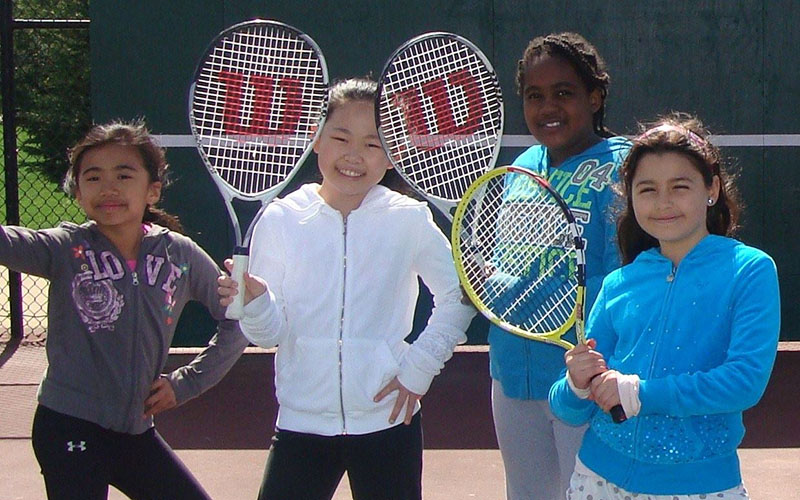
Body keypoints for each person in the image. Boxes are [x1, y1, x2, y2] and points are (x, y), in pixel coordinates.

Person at [217, 77, 476, 500]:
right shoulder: (281, 219)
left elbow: (458, 298)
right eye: (341, 137)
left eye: (373, 144)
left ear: (393, 156)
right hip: (300, 425)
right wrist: (258, 303)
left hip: (388, 421)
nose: (354, 155)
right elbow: (266, 336)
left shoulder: (408, 218)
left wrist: (418, 369)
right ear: (316, 141)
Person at [0, 121, 249, 499]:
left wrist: (187, 383)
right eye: (93, 177)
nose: (108, 188)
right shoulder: (65, 248)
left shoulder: (178, 254)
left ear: (153, 190)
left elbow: (236, 320)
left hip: (136, 432)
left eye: (123, 174)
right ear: (78, 192)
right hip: (68, 427)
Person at [549, 113, 780, 499]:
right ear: (631, 197)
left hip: (701, 487)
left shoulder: (750, 270)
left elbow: (744, 382)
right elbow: (570, 408)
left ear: (713, 189)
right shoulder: (618, 283)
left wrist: (641, 393)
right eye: (648, 189)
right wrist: (575, 383)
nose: (664, 202)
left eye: (680, 186)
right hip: (596, 478)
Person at [488, 32, 630, 500]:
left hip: (586, 377)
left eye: (563, 93)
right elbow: (507, 259)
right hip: (513, 374)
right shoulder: (523, 166)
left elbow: (628, 280)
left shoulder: (626, 166)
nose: (548, 106)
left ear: (594, 97)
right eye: (534, 95)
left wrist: (599, 363)